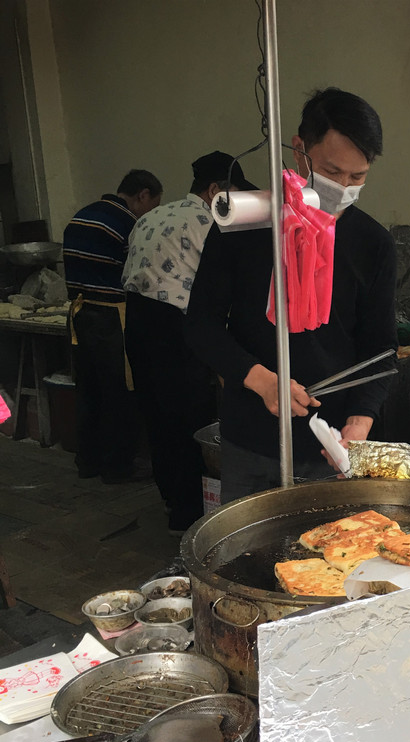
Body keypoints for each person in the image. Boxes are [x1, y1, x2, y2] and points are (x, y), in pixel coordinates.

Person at [186, 88, 398, 503]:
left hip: (330, 447)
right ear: (299, 150)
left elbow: (381, 350)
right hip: (250, 441)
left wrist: (360, 422)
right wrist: (264, 382)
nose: (343, 186)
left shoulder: (372, 243)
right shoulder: (242, 226)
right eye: (332, 171)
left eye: (357, 177)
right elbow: (201, 327)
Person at [123, 152, 257, 531]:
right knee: (191, 419)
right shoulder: (207, 221)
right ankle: (193, 514)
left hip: (137, 324)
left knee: (156, 415)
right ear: (214, 190)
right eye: (233, 194)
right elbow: (219, 292)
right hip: (176, 329)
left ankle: (173, 502)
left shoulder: (149, 216)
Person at [63, 169, 162, 482]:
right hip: (111, 318)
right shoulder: (129, 224)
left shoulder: (81, 216)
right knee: (119, 393)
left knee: (88, 389)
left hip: (79, 314)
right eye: (152, 205)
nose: (150, 213)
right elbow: (139, 276)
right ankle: (117, 467)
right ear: (142, 195)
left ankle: (87, 462)